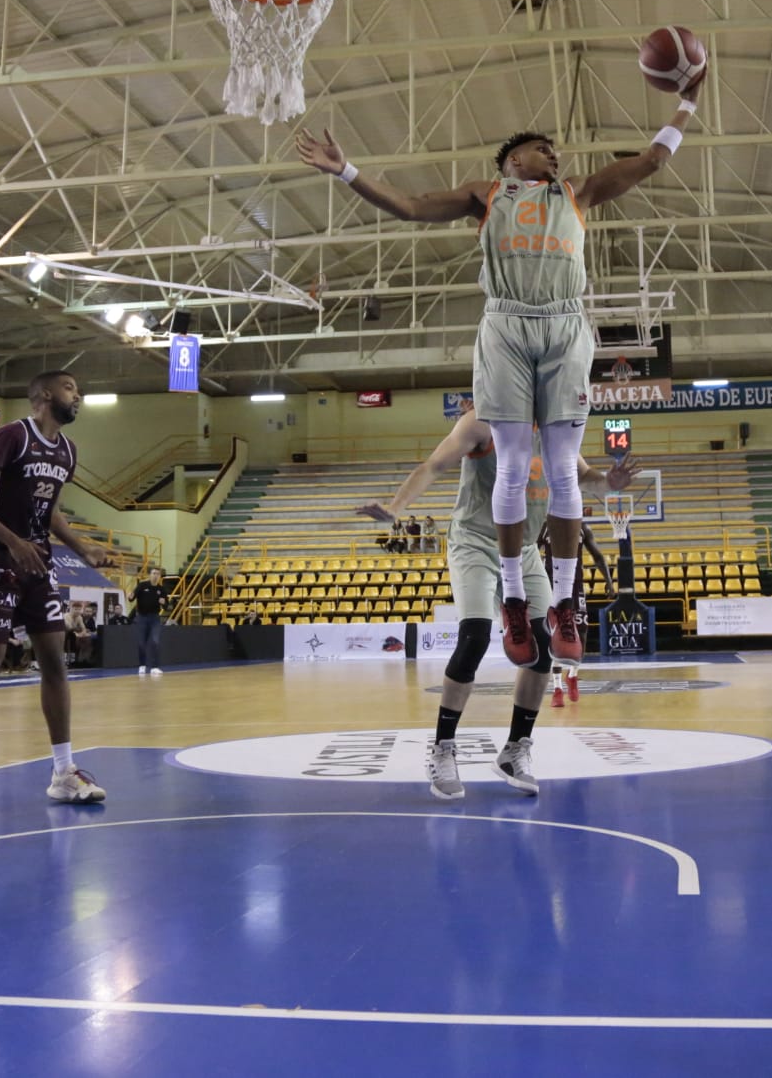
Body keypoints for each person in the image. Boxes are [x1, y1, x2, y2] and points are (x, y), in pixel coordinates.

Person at [297, 73, 699, 673]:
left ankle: (562, 603)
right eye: (544, 149)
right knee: (511, 461)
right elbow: (409, 206)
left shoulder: (579, 193)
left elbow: (653, 160)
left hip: (565, 325)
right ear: (515, 160)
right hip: (506, 325)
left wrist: (687, 100)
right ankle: (514, 597)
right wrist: (347, 171)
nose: (555, 155)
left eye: (556, 153)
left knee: (562, 465)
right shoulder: (486, 196)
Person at [353, 405, 636, 799]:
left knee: (540, 647)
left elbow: (586, 478)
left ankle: (515, 750)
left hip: (523, 549)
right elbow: (435, 465)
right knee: (475, 636)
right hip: (474, 542)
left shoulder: (555, 428)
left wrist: (610, 482)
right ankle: (443, 749)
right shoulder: (482, 421)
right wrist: (396, 508)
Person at [0, 370, 111, 818]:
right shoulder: (12, 436)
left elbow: (49, 513)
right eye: (72, 388)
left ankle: (63, 772)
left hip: (39, 566)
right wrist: (12, 541)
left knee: (54, 661)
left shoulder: (68, 450)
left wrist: (82, 547)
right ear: (46, 394)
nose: (79, 395)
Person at [544, 521, 609, 708]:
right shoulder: (545, 526)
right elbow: (528, 551)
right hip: (551, 586)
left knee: (581, 633)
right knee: (554, 635)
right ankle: (557, 688)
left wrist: (609, 581)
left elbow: (597, 556)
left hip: (575, 585)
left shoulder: (583, 527)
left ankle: (572, 674)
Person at [131, 566, 168, 677]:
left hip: (155, 618)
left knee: (155, 641)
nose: (155, 575)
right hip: (142, 618)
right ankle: (142, 665)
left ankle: (155, 667)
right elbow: (132, 597)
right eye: (153, 573)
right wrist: (130, 596)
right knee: (141, 643)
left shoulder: (161, 590)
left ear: (160, 576)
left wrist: (163, 603)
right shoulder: (142, 586)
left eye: (157, 574)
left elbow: (166, 606)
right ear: (150, 575)